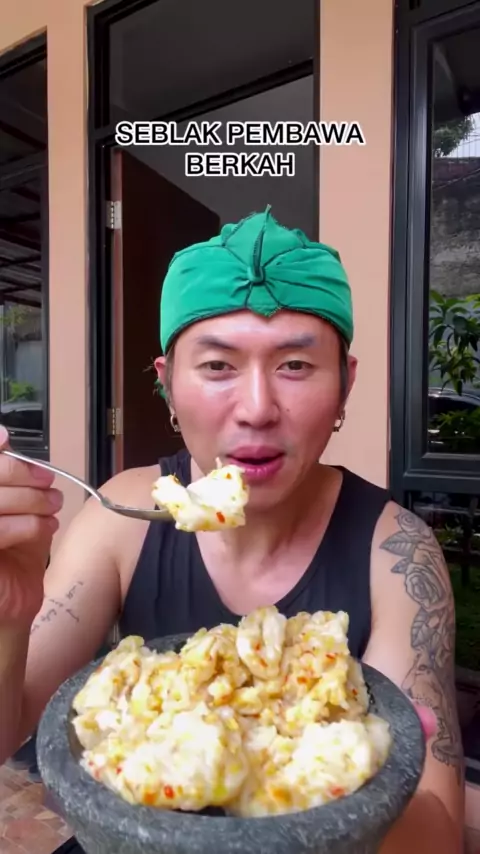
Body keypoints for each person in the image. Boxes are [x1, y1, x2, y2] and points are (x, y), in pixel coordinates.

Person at [0, 208, 464, 852]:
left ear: (345, 384)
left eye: (295, 365)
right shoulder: (120, 516)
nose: (257, 409)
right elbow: (11, 727)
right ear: (167, 386)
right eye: (218, 366)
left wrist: (342, 781)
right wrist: (9, 615)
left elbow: (439, 832)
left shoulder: (395, 554)